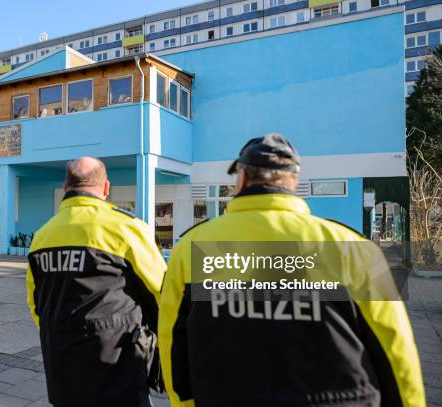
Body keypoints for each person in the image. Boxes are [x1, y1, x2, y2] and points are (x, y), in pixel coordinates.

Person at [158, 134, 425, 406]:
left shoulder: (192, 247)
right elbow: (394, 350)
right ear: (293, 182)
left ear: (240, 178)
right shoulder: (353, 248)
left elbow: (172, 341)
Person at [26, 156, 166, 407]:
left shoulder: (42, 236)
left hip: (62, 369)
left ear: (66, 188)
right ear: (105, 188)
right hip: (117, 370)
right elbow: (164, 293)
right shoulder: (125, 228)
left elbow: (36, 305)